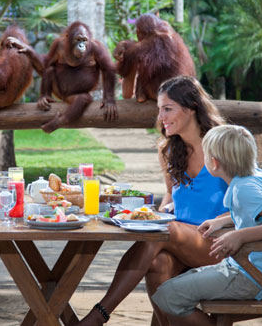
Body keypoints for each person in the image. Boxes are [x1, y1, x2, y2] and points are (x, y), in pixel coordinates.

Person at [78, 76, 229, 326]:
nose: (161, 117)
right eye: (159, 110)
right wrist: (160, 212)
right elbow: (170, 194)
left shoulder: (222, 145)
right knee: (157, 260)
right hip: (181, 241)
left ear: (191, 108)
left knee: (161, 231)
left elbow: (249, 199)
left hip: (220, 242)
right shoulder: (169, 150)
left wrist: (165, 224)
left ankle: (99, 315)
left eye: (167, 109)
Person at [151, 124, 262, 326]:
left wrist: (240, 236)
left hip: (252, 278)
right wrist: (221, 220)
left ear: (213, 163)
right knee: (174, 287)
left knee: (167, 296)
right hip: (252, 271)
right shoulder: (253, 178)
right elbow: (258, 211)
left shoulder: (244, 189)